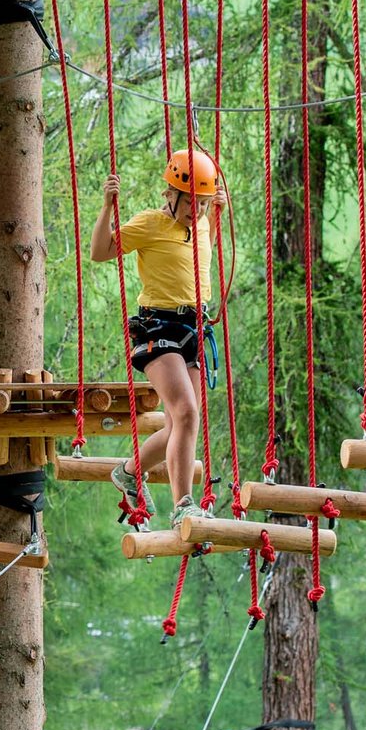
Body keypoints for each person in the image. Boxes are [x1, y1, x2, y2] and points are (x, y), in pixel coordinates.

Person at [89, 149, 229, 528]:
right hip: (158, 327)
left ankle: (129, 473)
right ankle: (183, 504)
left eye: (202, 203)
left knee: (178, 425)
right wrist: (106, 208)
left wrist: (214, 210)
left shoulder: (202, 223)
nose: (196, 210)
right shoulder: (150, 223)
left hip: (192, 328)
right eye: (190, 202)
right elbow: (100, 252)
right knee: (187, 413)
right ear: (170, 194)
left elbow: (203, 246)